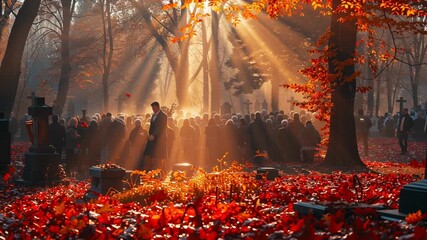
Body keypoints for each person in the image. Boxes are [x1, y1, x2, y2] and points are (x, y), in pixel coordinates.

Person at [142, 101, 168, 170]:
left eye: (154, 108)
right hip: (152, 138)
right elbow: (152, 126)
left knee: (159, 156)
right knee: (150, 155)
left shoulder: (163, 115)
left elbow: (160, 127)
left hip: (159, 139)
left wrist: (154, 135)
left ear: (158, 107)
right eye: (152, 108)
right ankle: (152, 170)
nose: (153, 109)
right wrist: (150, 134)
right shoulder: (153, 115)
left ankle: (161, 172)